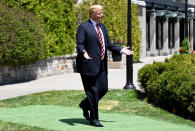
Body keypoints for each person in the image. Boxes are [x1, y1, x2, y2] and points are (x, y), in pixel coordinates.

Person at [76, 5, 134, 127]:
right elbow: (80, 43)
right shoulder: (83, 27)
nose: (102, 15)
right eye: (99, 13)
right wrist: (83, 52)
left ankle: (85, 105)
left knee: (103, 89)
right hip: (88, 64)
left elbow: (108, 44)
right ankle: (94, 119)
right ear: (92, 14)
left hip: (102, 65)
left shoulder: (102, 27)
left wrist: (122, 50)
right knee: (93, 92)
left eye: (102, 13)